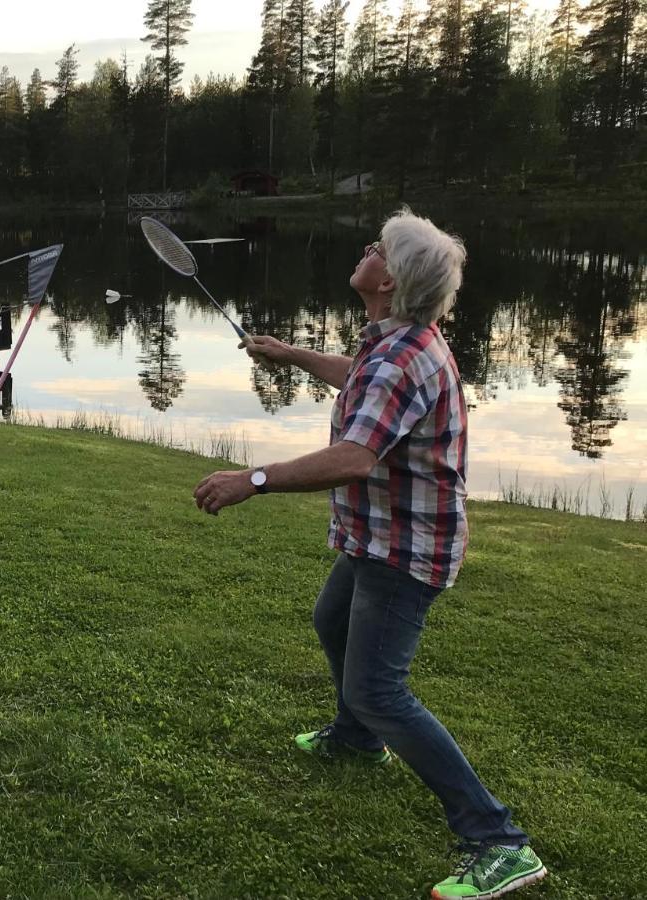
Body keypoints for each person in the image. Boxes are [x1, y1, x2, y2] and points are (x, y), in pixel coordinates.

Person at [192, 208, 546, 899]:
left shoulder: (404, 358)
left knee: (379, 689)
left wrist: (251, 479)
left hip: (403, 549)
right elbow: (358, 372)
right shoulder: (396, 344)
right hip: (377, 536)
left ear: (393, 280)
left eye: (379, 248)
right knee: (332, 621)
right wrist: (289, 353)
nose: (366, 250)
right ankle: (355, 739)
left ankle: (498, 839)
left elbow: (355, 457)